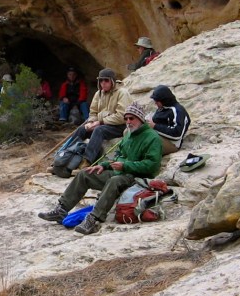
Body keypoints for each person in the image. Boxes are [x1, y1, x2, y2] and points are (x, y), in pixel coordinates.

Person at [38, 101, 162, 235]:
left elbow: (152, 165)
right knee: (85, 174)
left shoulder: (152, 137)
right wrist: (104, 165)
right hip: (121, 172)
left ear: (140, 119)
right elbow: (119, 155)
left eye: (131, 118)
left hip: (138, 179)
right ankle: (61, 210)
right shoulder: (128, 135)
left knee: (114, 181)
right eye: (126, 118)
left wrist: (125, 165)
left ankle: (93, 219)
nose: (128, 121)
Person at [70, 68, 132, 167]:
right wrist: (91, 122)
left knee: (99, 130)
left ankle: (87, 161)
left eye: (106, 80)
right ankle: (65, 156)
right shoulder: (98, 94)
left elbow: (122, 116)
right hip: (103, 124)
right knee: (81, 130)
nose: (103, 83)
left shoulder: (122, 93)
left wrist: (100, 122)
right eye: (101, 80)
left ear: (112, 81)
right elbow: (93, 112)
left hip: (120, 126)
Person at [148, 84, 191, 154]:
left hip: (171, 143)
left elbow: (177, 134)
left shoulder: (178, 111)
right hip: (157, 135)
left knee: (145, 141)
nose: (155, 103)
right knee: (130, 132)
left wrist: (155, 126)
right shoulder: (162, 108)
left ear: (164, 100)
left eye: (157, 101)